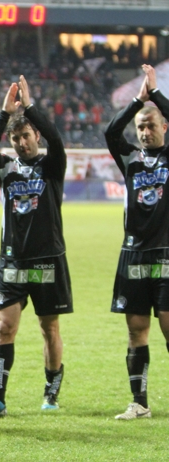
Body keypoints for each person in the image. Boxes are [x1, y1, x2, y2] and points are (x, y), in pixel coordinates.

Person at [0, 76, 73, 417]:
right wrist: (4, 114)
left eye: (25, 135)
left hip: (48, 260)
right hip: (12, 261)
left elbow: (57, 139)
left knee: (49, 328)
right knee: (5, 327)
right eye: (15, 138)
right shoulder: (5, 169)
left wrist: (29, 106)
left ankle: (51, 393)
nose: (20, 142)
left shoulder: (51, 165)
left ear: (36, 136)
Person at [104, 64, 169, 420]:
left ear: (164, 127)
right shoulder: (129, 159)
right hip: (133, 254)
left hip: (167, 253)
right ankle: (139, 402)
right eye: (141, 127)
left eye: (151, 125)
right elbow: (111, 132)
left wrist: (156, 94)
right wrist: (136, 102)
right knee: (136, 329)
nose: (144, 132)